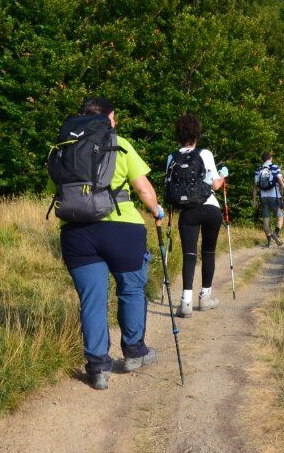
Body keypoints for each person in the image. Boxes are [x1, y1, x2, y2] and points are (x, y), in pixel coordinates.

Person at [58, 97, 164, 391]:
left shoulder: (66, 146)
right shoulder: (121, 143)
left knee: (93, 299)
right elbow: (144, 188)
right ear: (111, 117)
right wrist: (156, 211)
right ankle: (133, 352)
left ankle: (97, 368)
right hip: (122, 228)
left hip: (76, 231)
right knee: (130, 288)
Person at [166, 114, 228, 318]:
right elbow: (216, 185)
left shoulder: (171, 157)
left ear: (178, 135)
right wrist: (224, 175)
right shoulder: (205, 153)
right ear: (197, 134)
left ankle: (185, 302)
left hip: (187, 213)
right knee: (208, 253)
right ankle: (205, 297)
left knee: (189, 255)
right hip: (210, 208)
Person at [253, 152, 284, 247]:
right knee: (280, 217)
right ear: (270, 158)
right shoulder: (275, 167)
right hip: (274, 196)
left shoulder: (258, 169)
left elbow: (255, 186)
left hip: (263, 197)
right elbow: (280, 182)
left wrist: (254, 199)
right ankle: (275, 233)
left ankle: (269, 242)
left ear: (262, 159)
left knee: (266, 220)